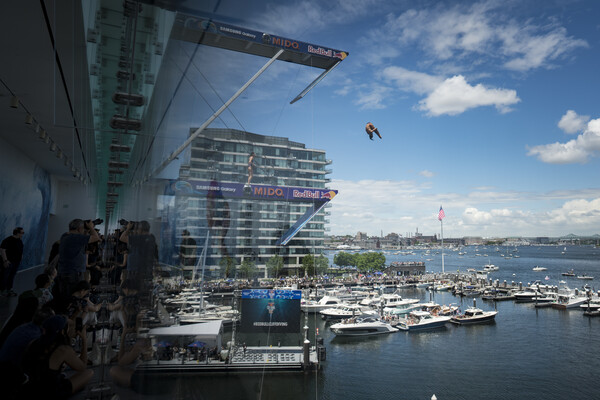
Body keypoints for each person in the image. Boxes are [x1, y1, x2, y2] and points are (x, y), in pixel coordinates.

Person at [20, 315, 93, 399]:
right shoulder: (62, 350)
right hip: (51, 392)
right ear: (62, 331)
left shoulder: (34, 343)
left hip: (31, 389)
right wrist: (84, 339)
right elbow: (82, 366)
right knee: (89, 373)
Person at [54, 219, 100, 311]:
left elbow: (83, 238)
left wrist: (87, 229)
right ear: (79, 229)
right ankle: (68, 319)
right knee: (71, 299)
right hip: (72, 273)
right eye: (82, 229)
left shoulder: (65, 236)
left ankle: (66, 317)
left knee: (66, 299)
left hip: (66, 272)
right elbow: (96, 238)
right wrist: (91, 227)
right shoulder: (75, 238)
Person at [1, 227, 25, 297]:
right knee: (5, 276)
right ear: (17, 233)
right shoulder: (8, 240)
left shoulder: (19, 240)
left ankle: (9, 289)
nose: (23, 234)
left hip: (16, 262)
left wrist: (21, 257)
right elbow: (2, 250)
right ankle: (2, 290)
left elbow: (21, 249)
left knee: (12, 276)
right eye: (22, 233)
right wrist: (5, 260)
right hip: (9, 262)